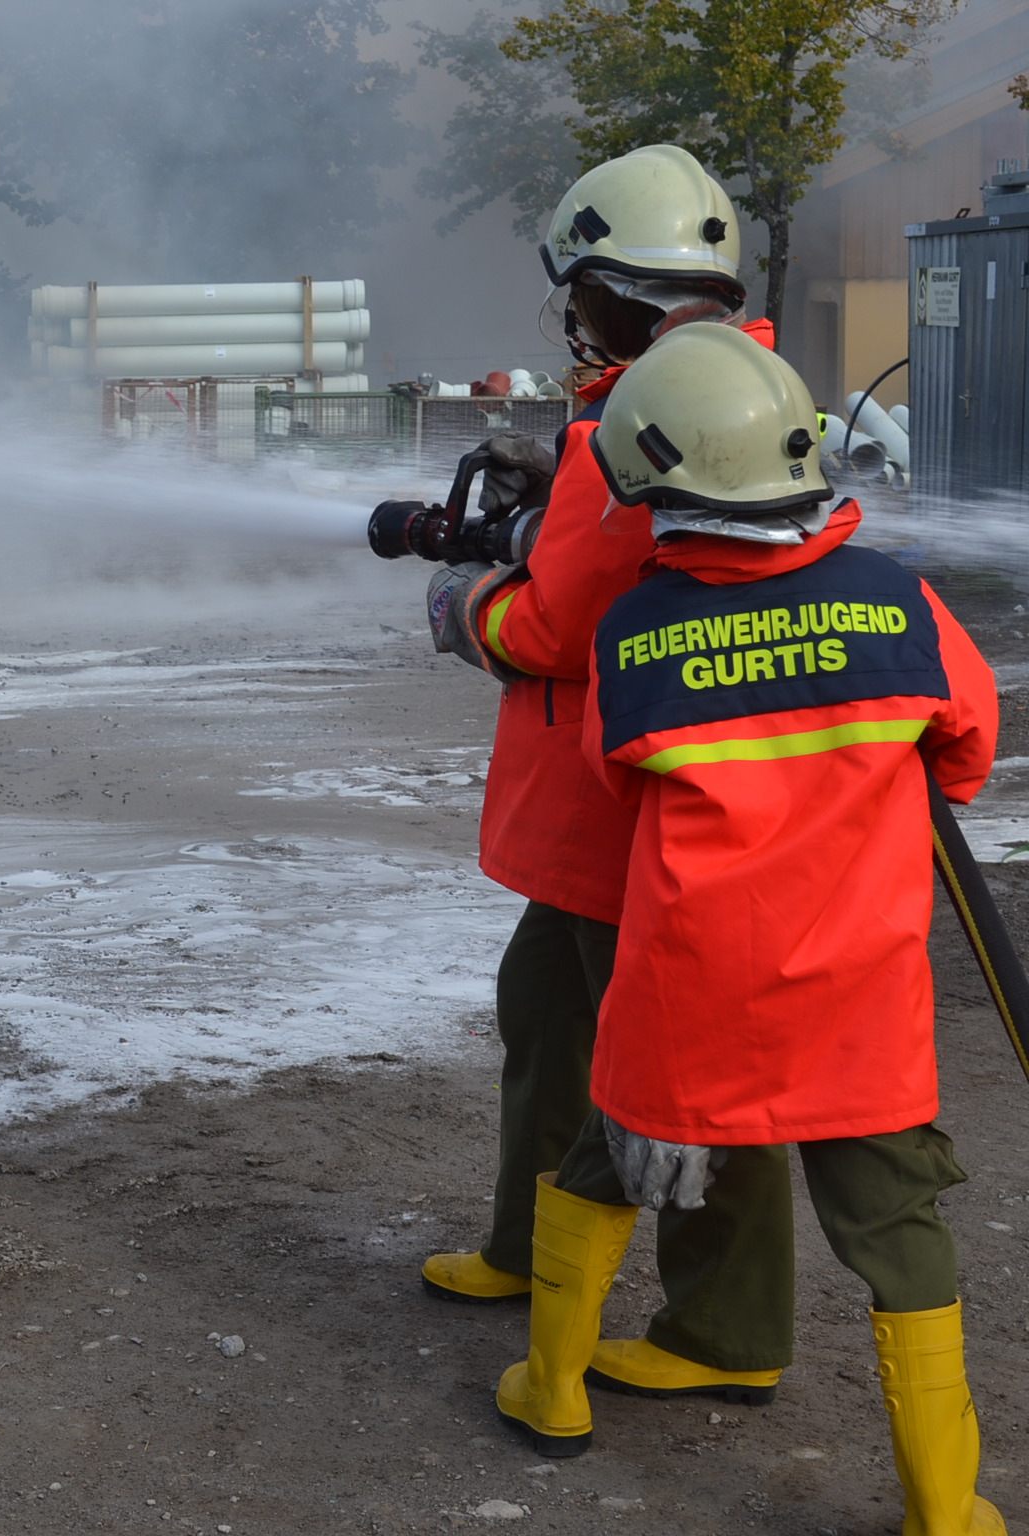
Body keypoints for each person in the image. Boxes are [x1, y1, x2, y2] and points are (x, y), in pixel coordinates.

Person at [492, 322, 1004, 1534]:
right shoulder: (902, 607)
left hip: (685, 1003)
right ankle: (944, 1504)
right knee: (896, 1233)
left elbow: (617, 783)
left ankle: (551, 1390)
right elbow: (967, 755)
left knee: (603, 1169)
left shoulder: (632, 640)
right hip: (860, 1010)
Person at [421, 143, 796, 1402]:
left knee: (678, 1067)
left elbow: (554, 630)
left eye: (575, 294)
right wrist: (552, 490)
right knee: (546, 1009)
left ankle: (721, 1333)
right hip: (652, 805)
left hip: (618, 812)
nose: (570, 320)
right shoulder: (732, 388)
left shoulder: (630, 416)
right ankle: (530, 1251)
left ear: (611, 291)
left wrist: (464, 596)